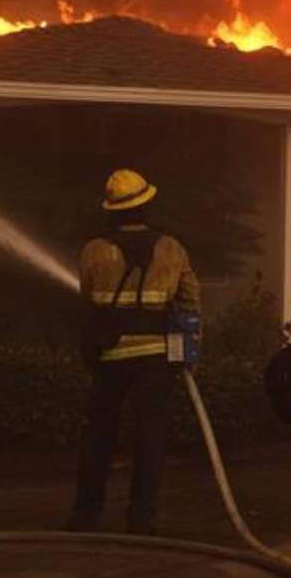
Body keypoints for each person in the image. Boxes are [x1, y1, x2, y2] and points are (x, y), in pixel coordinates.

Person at [66, 168, 200, 535]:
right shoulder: (171, 248)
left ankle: (86, 515)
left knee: (98, 437)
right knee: (150, 439)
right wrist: (191, 352)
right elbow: (190, 303)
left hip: (109, 357)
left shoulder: (94, 250)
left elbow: (87, 302)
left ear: (112, 210)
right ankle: (142, 519)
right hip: (157, 359)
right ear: (145, 206)